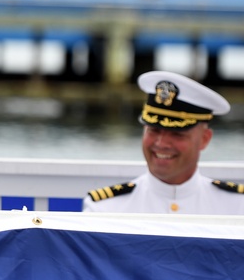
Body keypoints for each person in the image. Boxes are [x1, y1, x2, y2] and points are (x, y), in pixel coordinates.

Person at [83, 71, 244, 215]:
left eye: (177, 134)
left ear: (204, 139)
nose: (161, 143)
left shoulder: (237, 206)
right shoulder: (105, 209)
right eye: (154, 130)